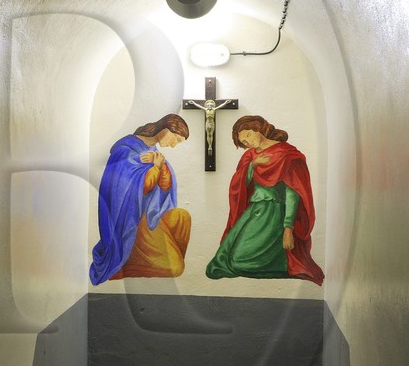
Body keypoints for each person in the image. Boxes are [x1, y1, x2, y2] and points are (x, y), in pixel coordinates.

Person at [206, 114, 324, 285]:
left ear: (258, 128)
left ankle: (278, 263)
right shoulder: (250, 157)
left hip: (275, 214)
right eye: (244, 142)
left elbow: (293, 192)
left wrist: (288, 228)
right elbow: (239, 185)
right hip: (254, 211)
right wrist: (253, 166)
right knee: (225, 258)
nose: (248, 142)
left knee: (238, 260)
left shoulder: (287, 154)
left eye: (248, 135)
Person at [89, 113, 193, 282]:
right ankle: (127, 262)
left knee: (182, 217)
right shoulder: (125, 151)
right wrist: (156, 168)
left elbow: (165, 186)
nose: (174, 145)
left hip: (152, 214)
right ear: (167, 130)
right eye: (177, 139)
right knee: (176, 268)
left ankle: (152, 258)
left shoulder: (153, 152)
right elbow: (133, 189)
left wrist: (162, 168)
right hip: (133, 221)